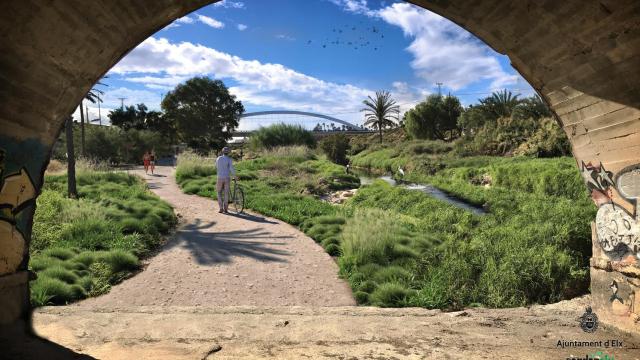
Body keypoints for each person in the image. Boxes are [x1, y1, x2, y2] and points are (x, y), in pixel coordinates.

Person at [215, 146, 236, 214]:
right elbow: (231, 168)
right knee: (226, 193)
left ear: (222, 152)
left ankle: (221, 208)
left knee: (219, 192)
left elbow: (216, 167)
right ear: (228, 152)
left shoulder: (218, 158)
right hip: (227, 178)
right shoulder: (229, 159)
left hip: (220, 177)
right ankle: (226, 209)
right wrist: (235, 176)